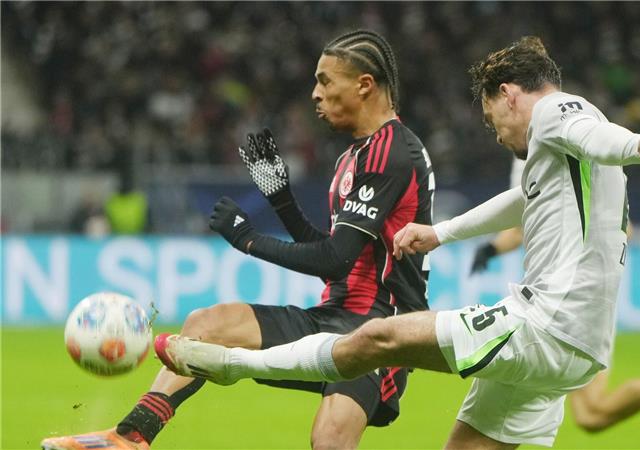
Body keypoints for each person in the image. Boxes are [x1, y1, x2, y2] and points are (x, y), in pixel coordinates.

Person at [154, 36, 640, 448]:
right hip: (579, 349)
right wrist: (440, 233)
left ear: (509, 94)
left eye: (493, 118)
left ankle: (227, 364)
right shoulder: (557, 160)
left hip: (544, 326)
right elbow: (523, 202)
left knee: (377, 339)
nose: (497, 133)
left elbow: (595, 134)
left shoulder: (557, 113)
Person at [42, 29, 435, 450]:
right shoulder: (354, 156)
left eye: (324, 80)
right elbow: (339, 252)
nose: (314, 94)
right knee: (205, 326)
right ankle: (131, 437)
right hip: (333, 317)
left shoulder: (392, 152)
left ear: (363, 85)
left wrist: (247, 239)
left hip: (379, 331)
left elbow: (334, 259)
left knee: (330, 440)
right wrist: (281, 197)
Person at [470, 160, 640, 434]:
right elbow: (524, 225)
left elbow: (620, 228)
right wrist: (492, 249)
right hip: (560, 300)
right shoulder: (544, 151)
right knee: (588, 416)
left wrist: (493, 248)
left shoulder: (556, 149)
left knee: (587, 411)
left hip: (577, 302)